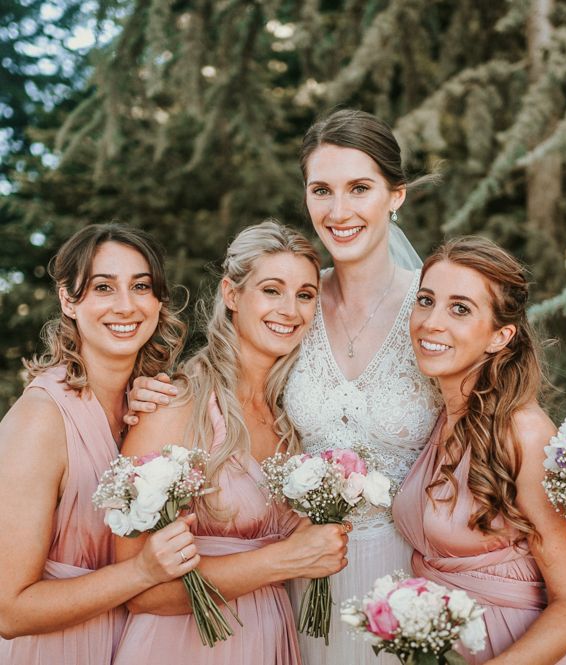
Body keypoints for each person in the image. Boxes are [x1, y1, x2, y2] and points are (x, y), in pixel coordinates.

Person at [123, 110, 442, 664]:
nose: (338, 211)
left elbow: (490, 418)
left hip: (414, 578)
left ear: (396, 195)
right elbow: (231, 382)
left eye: (359, 188)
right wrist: (143, 395)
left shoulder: (436, 307)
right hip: (299, 588)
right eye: (322, 190)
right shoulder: (295, 301)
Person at [112, 220, 349, 665]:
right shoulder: (175, 404)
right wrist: (287, 559)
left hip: (270, 636)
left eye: (305, 295)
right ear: (232, 294)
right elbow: (137, 590)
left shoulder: (291, 416)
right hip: (183, 647)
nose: (290, 310)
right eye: (272, 290)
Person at [392, 236, 566, 664]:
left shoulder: (525, 432)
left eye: (460, 309)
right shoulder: (442, 420)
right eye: (426, 300)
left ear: (500, 335)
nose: (431, 322)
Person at [0, 224, 197, 665]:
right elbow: (9, 611)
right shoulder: (40, 421)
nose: (125, 306)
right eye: (103, 287)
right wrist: (142, 571)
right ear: (69, 300)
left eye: (141, 286)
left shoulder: (151, 408)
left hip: (136, 645)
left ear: (158, 301)